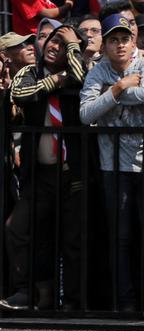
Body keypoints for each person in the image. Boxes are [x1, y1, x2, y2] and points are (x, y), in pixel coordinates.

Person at [78, 14, 144, 315]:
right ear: (106, 43)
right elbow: (86, 114)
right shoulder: (98, 70)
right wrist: (117, 89)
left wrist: (109, 95)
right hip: (112, 166)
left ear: (133, 40)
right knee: (121, 236)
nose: (119, 45)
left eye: (124, 39)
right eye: (113, 39)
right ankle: (125, 301)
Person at [1, 24, 87, 311]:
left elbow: (80, 77)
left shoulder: (78, 73)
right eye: (52, 40)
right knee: (20, 229)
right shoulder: (30, 72)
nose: (54, 46)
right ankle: (28, 293)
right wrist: (55, 82)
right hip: (39, 173)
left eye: (62, 44)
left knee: (72, 239)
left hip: (71, 172)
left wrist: (74, 46)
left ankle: (72, 303)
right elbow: (21, 95)